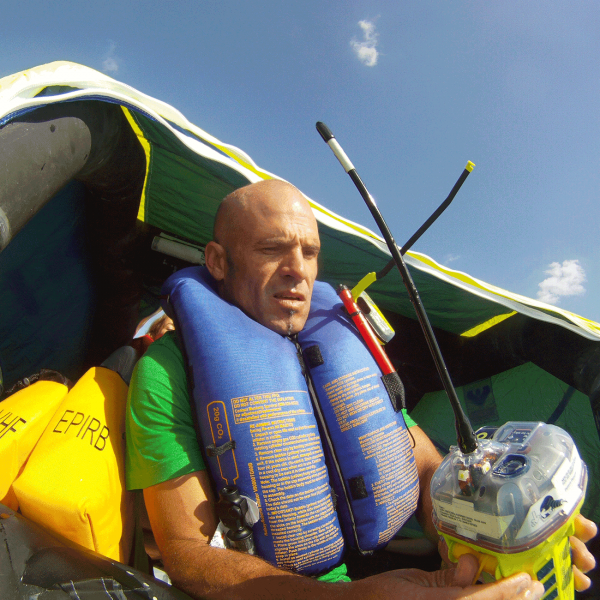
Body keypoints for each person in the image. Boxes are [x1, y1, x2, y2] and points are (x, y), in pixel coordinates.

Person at [126, 179, 596, 600]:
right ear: (217, 261)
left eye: (310, 252)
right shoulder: (167, 373)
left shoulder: (343, 342)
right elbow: (187, 555)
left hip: (390, 571)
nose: (298, 270)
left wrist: (486, 537)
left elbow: (423, 464)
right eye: (272, 249)